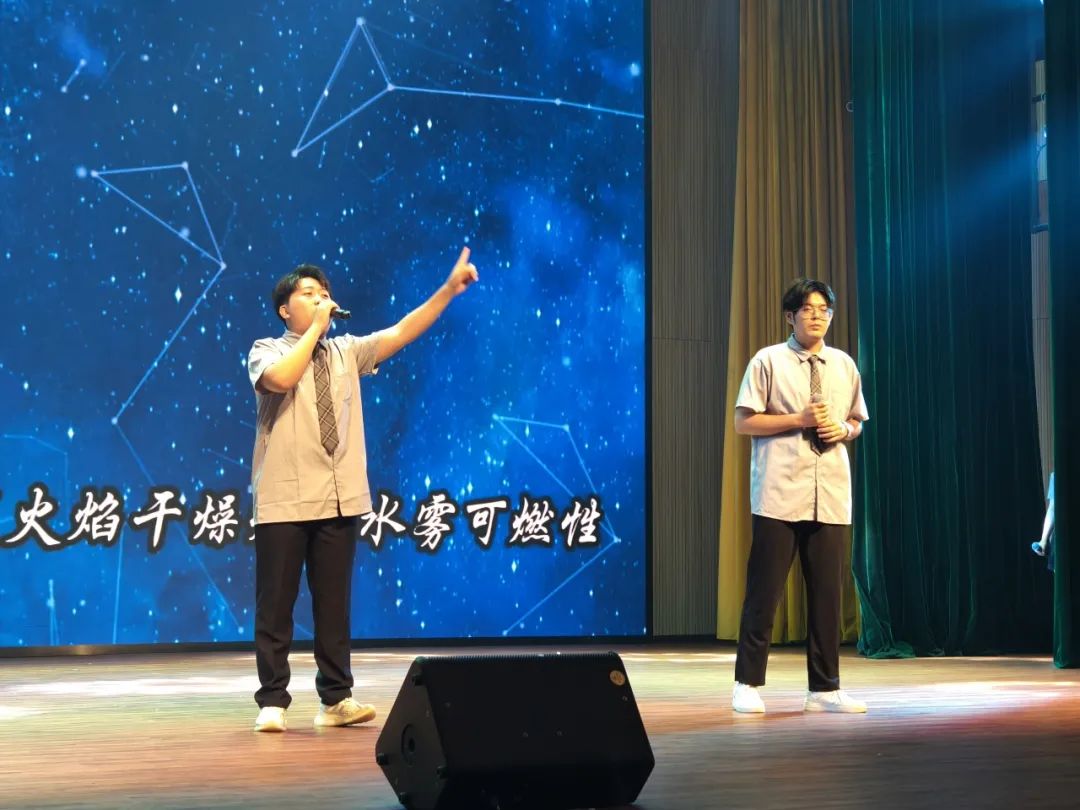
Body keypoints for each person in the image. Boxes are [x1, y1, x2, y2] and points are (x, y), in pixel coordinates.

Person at [247, 247, 478, 732]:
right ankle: (272, 701)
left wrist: (447, 290)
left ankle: (336, 699)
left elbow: (401, 331)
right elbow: (282, 379)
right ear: (285, 309)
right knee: (276, 606)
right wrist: (315, 330)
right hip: (285, 498)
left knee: (333, 605)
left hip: (339, 497)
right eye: (309, 294)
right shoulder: (266, 349)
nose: (321, 299)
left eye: (324, 293)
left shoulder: (347, 351)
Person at [731, 278, 868, 714]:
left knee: (827, 597)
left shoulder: (844, 365)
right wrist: (799, 419)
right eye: (808, 309)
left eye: (824, 309)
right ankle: (747, 684)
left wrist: (843, 429)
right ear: (790, 316)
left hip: (830, 493)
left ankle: (824, 689)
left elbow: (857, 421)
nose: (817, 316)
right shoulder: (767, 360)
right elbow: (744, 422)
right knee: (764, 593)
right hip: (779, 492)